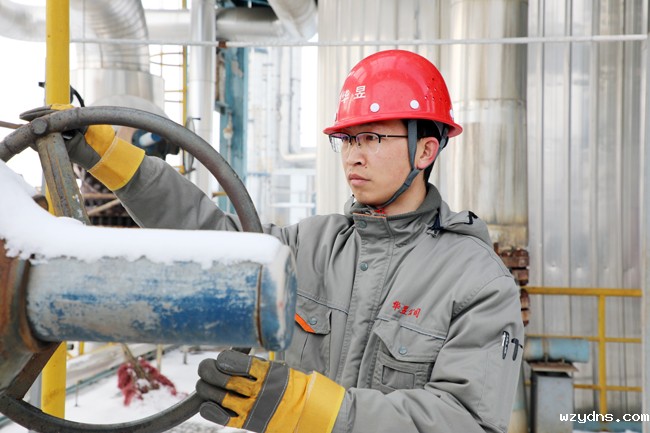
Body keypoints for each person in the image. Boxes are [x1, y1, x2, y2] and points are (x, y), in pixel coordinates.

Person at [22, 49, 523, 433]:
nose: (354, 155)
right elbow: (217, 241)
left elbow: (467, 420)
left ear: (425, 150)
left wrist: (308, 409)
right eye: (347, 139)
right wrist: (111, 158)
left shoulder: (477, 282)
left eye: (373, 138)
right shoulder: (313, 244)